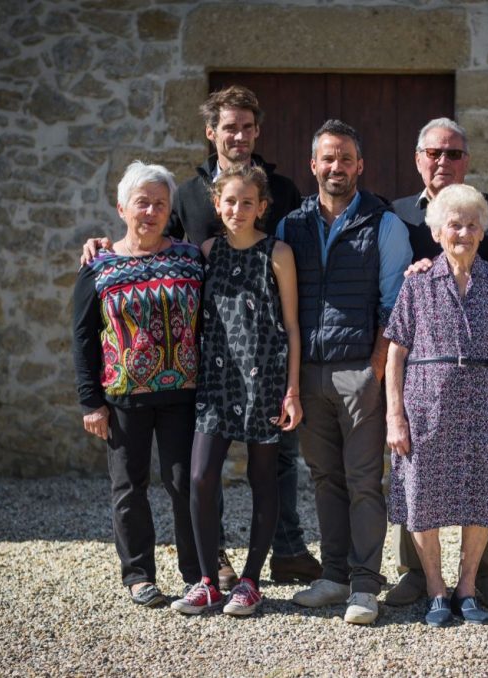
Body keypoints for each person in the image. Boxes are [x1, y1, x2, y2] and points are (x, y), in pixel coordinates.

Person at [80, 86, 320, 587]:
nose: (239, 135)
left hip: (267, 355)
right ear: (212, 133)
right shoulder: (187, 196)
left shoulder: (286, 189)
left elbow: (298, 256)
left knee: (277, 464)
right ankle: (218, 562)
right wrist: (105, 244)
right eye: (229, 127)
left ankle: (288, 550)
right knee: (197, 472)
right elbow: (149, 242)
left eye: (247, 127)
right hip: (210, 361)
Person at [277, 119, 413, 625]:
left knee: (362, 481)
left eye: (346, 158)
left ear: (361, 166)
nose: (337, 167)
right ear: (313, 165)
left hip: (359, 371)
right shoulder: (290, 226)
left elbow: (395, 307)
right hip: (309, 372)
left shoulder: (384, 224)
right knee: (324, 479)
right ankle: (333, 576)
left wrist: (375, 371)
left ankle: (364, 583)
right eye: (327, 158)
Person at [386, 118, 488, 611]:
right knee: (420, 488)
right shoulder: (400, 220)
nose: (444, 162)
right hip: (426, 391)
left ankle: (482, 580)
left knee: (485, 484)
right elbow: (397, 344)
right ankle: (423, 581)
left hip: (482, 385)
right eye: (434, 153)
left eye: (454, 153)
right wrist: (394, 411)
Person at [171, 165, 302, 617]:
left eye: (248, 202)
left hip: (265, 380)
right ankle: (208, 580)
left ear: (262, 206)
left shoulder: (278, 252)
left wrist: (293, 391)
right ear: (217, 205)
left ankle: (250, 581)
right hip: (217, 380)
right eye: (230, 201)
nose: (238, 210)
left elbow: (291, 327)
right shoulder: (207, 251)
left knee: (262, 479)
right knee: (200, 476)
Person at [72, 160, 203, 607]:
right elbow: (84, 334)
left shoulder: (190, 259)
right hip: (123, 397)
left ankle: (197, 574)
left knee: (185, 482)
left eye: (160, 205)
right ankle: (138, 575)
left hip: (183, 396)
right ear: (122, 207)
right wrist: (91, 401)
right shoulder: (99, 266)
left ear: (170, 212)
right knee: (129, 486)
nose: (150, 212)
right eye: (142, 203)